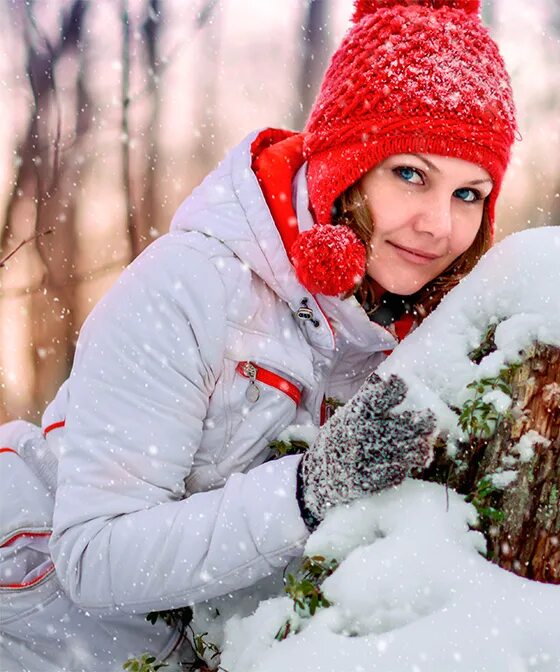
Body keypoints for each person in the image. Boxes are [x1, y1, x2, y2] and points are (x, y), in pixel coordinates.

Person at [0, 0, 517, 668]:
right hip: (34, 629)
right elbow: (93, 561)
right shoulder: (194, 288)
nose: (437, 225)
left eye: (468, 193)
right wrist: (308, 489)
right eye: (410, 174)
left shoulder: (411, 330)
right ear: (345, 168)